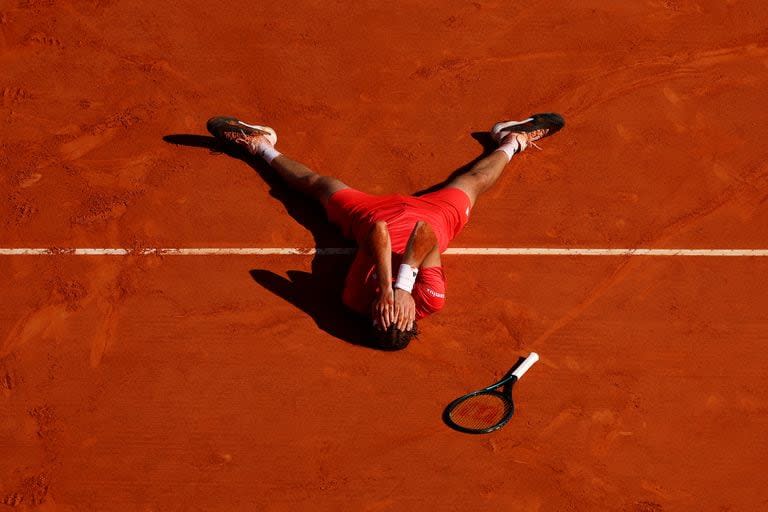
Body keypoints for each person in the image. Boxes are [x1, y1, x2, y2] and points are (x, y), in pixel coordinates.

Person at [207, 113, 564, 349]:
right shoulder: (431, 301)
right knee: (473, 182)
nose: (390, 310)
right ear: (412, 319)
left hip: (369, 216)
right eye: (398, 314)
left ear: (374, 317)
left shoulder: (355, 300)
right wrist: (403, 287)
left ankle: (260, 145)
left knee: (318, 186)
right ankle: (511, 140)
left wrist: (382, 290)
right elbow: (424, 233)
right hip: (437, 217)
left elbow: (377, 230)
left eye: (382, 314)